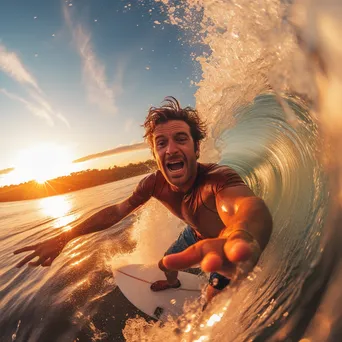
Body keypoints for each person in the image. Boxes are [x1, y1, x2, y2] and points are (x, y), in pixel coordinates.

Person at [14, 97, 272, 305]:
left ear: (197, 148)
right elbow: (115, 212)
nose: (170, 149)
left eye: (181, 139)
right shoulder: (153, 184)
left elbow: (244, 207)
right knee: (164, 263)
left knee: (211, 301)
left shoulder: (217, 178)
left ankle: (213, 296)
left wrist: (243, 236)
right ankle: (173, 283)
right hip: (194, 234)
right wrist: (64, 237)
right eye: (161, 143)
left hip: (223, 246)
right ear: (156, 154)